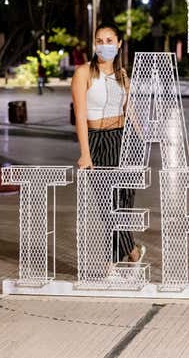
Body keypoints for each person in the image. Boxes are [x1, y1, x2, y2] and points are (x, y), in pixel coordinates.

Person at [72, 23, 145, 264]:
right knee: (107, 204)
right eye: (100, 40)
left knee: (124, 202)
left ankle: (112, 261)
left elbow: (129, 109)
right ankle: (132, 250)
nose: (104, 45)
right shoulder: (83, 73)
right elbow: (80, 116)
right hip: (96, 141)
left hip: (124, 139)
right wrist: (85, 153)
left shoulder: (122, 74)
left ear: (119, 43)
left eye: (109, 40)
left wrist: (142, 136)